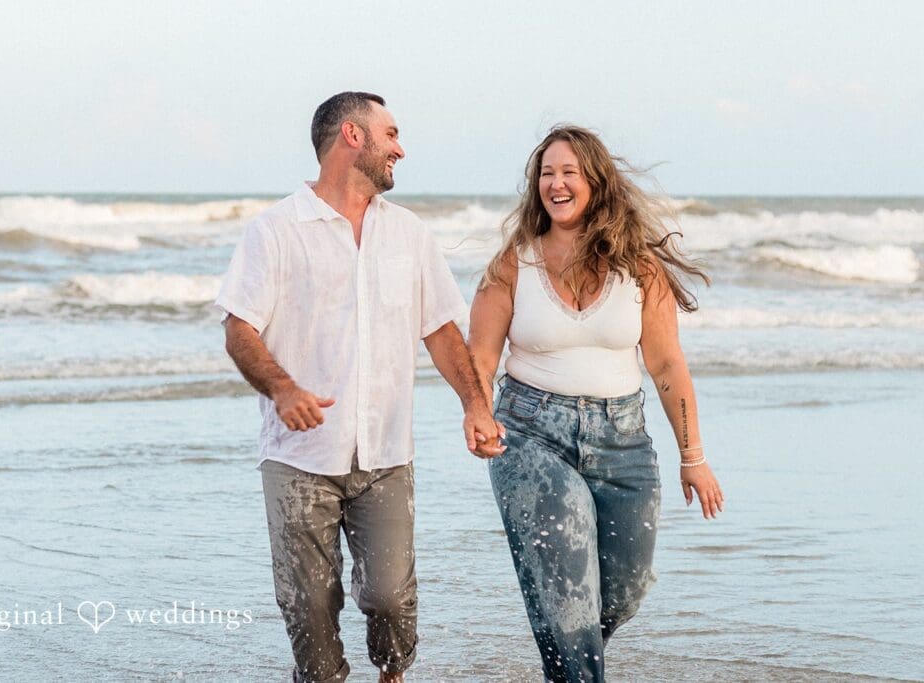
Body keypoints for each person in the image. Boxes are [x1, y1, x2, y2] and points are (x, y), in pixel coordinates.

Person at [216, 91, 503, 683]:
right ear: (353, 136)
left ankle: (393, 673)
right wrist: (283, 389)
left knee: (391, 599)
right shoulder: (275, 231)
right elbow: (239, 329)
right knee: (310, 612)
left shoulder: (409, 234)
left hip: (386, 456)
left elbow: (442, 332)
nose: (401, 147)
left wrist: (476, 404)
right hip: (298, 459)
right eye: (391, 134)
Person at [468, 125, 724, 682]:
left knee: (623, 592)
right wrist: (477, 411)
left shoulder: (640, 266)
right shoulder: (515, 263)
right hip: (531, 434)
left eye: (568, 173)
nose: (555, 185)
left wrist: (693, 455)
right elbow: (481, 357)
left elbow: (665, 365)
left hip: (623, 441)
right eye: (545, 174)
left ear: (596, 182)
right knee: (565, 590)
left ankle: (568, 656)